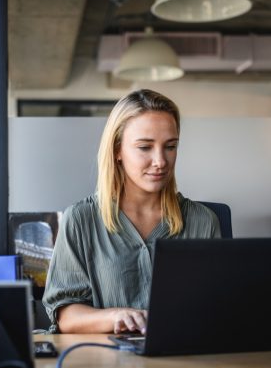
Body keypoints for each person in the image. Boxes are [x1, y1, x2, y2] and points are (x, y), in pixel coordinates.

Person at [42, 89, 220, 334]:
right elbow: (66, 316)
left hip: (186, 360)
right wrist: (117, 316)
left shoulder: (203, 221)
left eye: (170, 146)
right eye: (145, 147)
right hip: (110, 364)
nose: (161, 161)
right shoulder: (81, 219)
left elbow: (218, 307)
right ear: (117, 150)